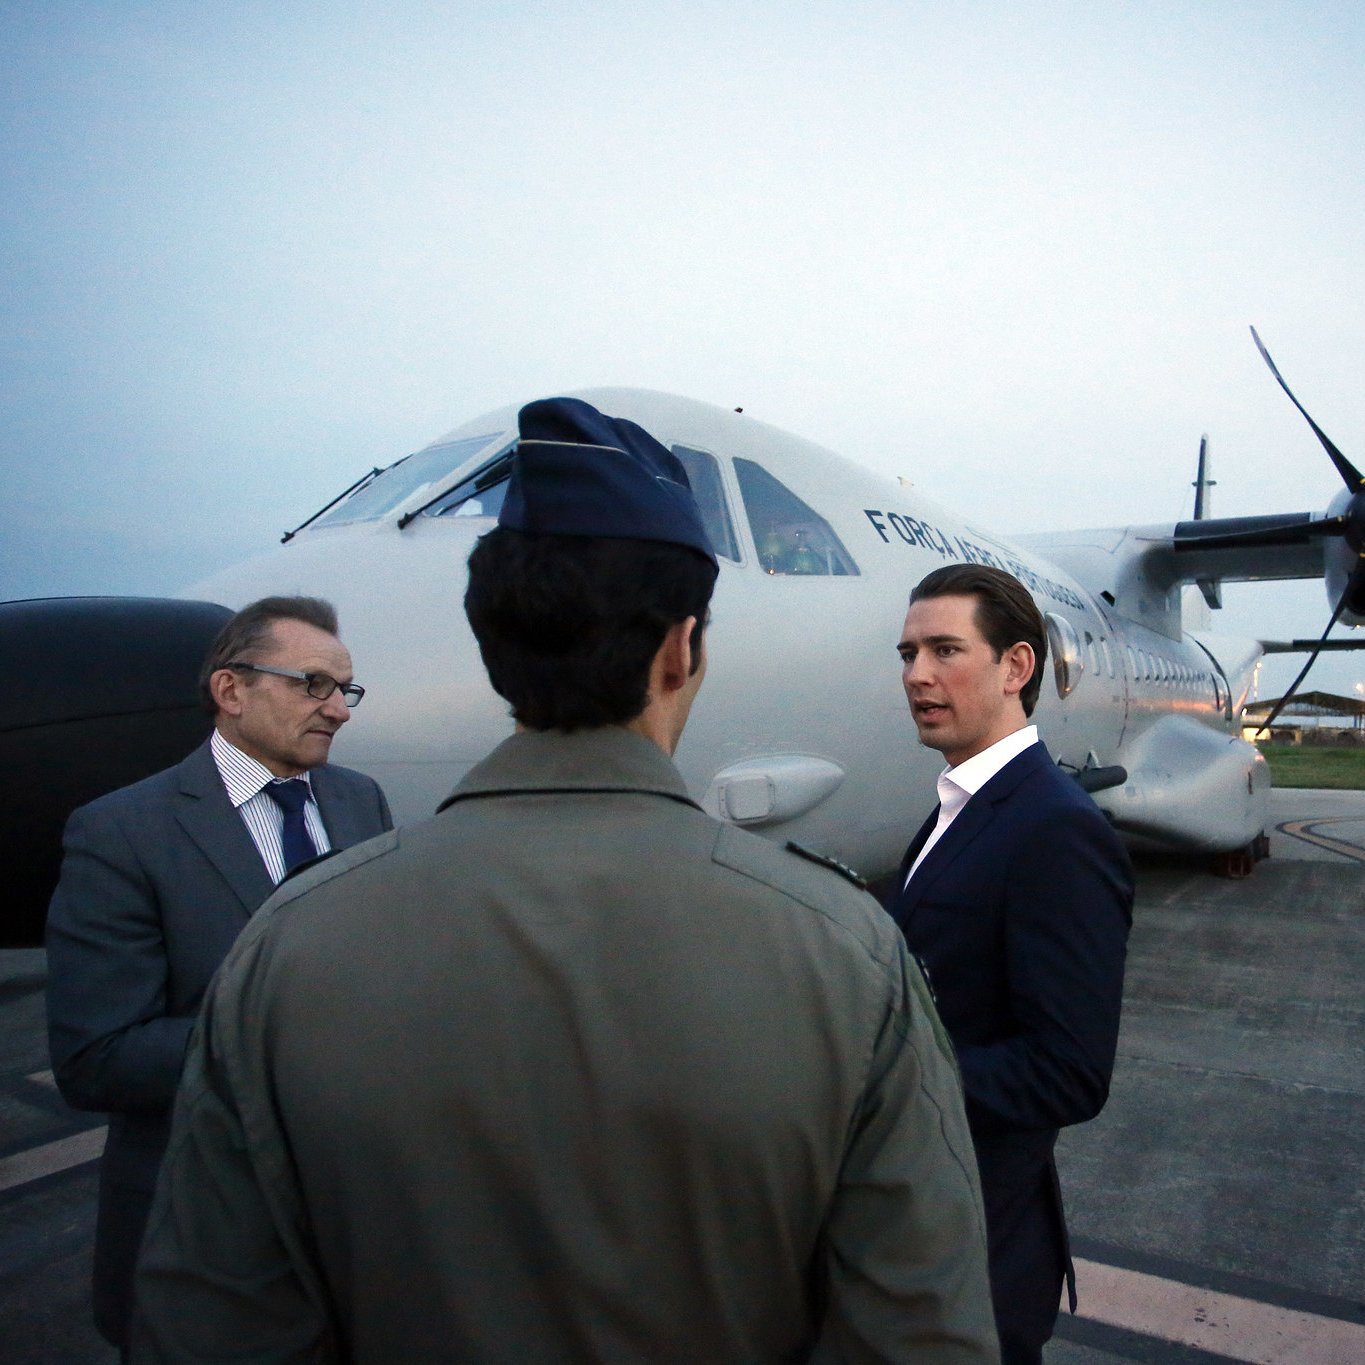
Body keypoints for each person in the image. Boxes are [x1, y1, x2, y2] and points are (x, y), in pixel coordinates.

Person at [132, 398, 999, 1363]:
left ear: (495, 647)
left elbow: (210, 1324)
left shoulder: (284, 948)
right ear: (683, 649)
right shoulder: (846, 951)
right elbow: (919, 1331)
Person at [45, 595, 392, 1355]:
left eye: (345, 689)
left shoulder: (360, 800)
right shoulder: (121, 831)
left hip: (358, 1231)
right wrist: (282, 1035)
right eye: (312, 683)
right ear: (230, 690)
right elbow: (94, 1057)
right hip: (203, 1244)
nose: (338, 709)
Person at [888, 564, 1133, 1365]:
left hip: (977, 1257)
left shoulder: (1054, 829)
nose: (916, 674)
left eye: (944, 649)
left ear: (1015, 667)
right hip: (921, 1236)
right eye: (907, 652)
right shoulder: (961, 806)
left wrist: (878, 1079)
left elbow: (1066, 1070)